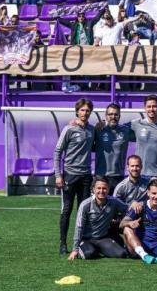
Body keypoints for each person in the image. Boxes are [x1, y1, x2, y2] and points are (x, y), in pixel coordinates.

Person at [55, 98, 95, 255]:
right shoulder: (69, 129)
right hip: (70, 176)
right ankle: (63, 243)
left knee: (83, 210)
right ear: (77, 111)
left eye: (87, 110)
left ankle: (81, 242)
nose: (85, 113)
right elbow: (57, 151)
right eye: (82, 110)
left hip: (86, 176)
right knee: (67, 210)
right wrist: (58, 175)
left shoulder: (92, 130)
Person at [68, 176, 130, 260]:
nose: (101, 191)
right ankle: (86, 249)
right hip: (86, 239)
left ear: (108, 189)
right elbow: (79, 227)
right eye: (98, 188)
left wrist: (134, 206)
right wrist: (75, 249)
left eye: (104, 188)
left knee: (122, 254)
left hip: (102, 238)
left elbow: (127, 209)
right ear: (93, 189)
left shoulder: (114, 202)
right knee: (89, 254)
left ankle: (99, 249)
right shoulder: (85, 205)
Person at [94, 103, 133, 190]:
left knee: (117, 203)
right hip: (101, 176)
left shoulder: (125, 130)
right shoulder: (98, 129)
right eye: (110, 114)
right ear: (106, 116)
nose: (113, 117)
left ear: (119, 116)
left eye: (116, 114)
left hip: (118, 177)